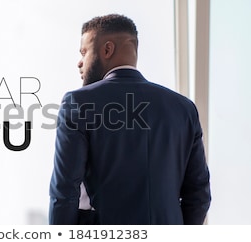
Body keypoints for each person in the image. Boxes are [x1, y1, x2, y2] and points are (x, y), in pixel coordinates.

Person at [49, 14, 211, 225]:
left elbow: (65, 192)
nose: (80, 62)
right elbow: (198, 195)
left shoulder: (78, 102)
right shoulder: (184, 108)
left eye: (84, 52)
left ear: (107, 50)